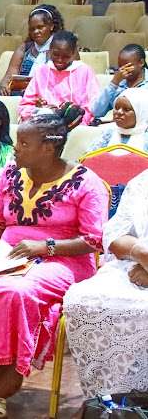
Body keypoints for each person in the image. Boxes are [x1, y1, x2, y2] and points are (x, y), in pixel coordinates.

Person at [0, 114, 109, 418]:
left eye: (23, 143)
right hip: (10, 255)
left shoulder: (87, 183)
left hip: (65, 259)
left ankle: (1, 384)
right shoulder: (11, 172)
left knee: (17, 291)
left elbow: (94, 239)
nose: (15, 148)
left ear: (48, 148)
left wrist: (46, 247)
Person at [63, 168, 148, 397]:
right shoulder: (142, 182)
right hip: (136, 265)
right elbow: (114, 236)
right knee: (85, 302)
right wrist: (141, 252)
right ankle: (112, 396)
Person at [19, 31, 100, 126]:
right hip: (44, 124)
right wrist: (38, 109)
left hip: (74, 123)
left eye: (66, 56)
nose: (60, 60)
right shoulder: (42, 71)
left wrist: (71, 115)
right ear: (50, 50)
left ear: (73, 52)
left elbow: (92, 105)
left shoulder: (85, 71)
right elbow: (25, 105)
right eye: (56, 54)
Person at [0, 5, 66, 96]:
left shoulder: (64, 48)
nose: (36, 31)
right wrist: (4, 84)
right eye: (32, 29)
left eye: (40, 27)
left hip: (50, 94)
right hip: (22, 92)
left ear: (51, 26)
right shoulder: (24, 48)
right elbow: (9, 77)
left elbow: (70, 80)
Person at [93, 44, 148, 118]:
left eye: (127, 66)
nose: (122, 70)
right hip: (119, 126)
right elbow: (97, 112)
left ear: (141, 63)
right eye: (120, 66)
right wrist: (114, 83)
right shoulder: (117, 85)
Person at [86, 87, 148, 154]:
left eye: (127, 109)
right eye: (117, 108)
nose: (119, 112)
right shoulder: (107, 134)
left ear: (141, 113)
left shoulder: (145, 137)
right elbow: (88, 159)